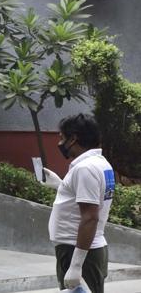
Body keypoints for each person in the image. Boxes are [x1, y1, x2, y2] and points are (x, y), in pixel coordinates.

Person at [40, 113, 114, 293]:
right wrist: (61, 185)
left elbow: (90, 217)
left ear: (73, 139)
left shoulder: (85, 169)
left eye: (62, 138)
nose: (60, 143)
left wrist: (76, 265)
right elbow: (91, 199)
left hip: (78, 250)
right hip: (83, 249)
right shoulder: (99, 164)